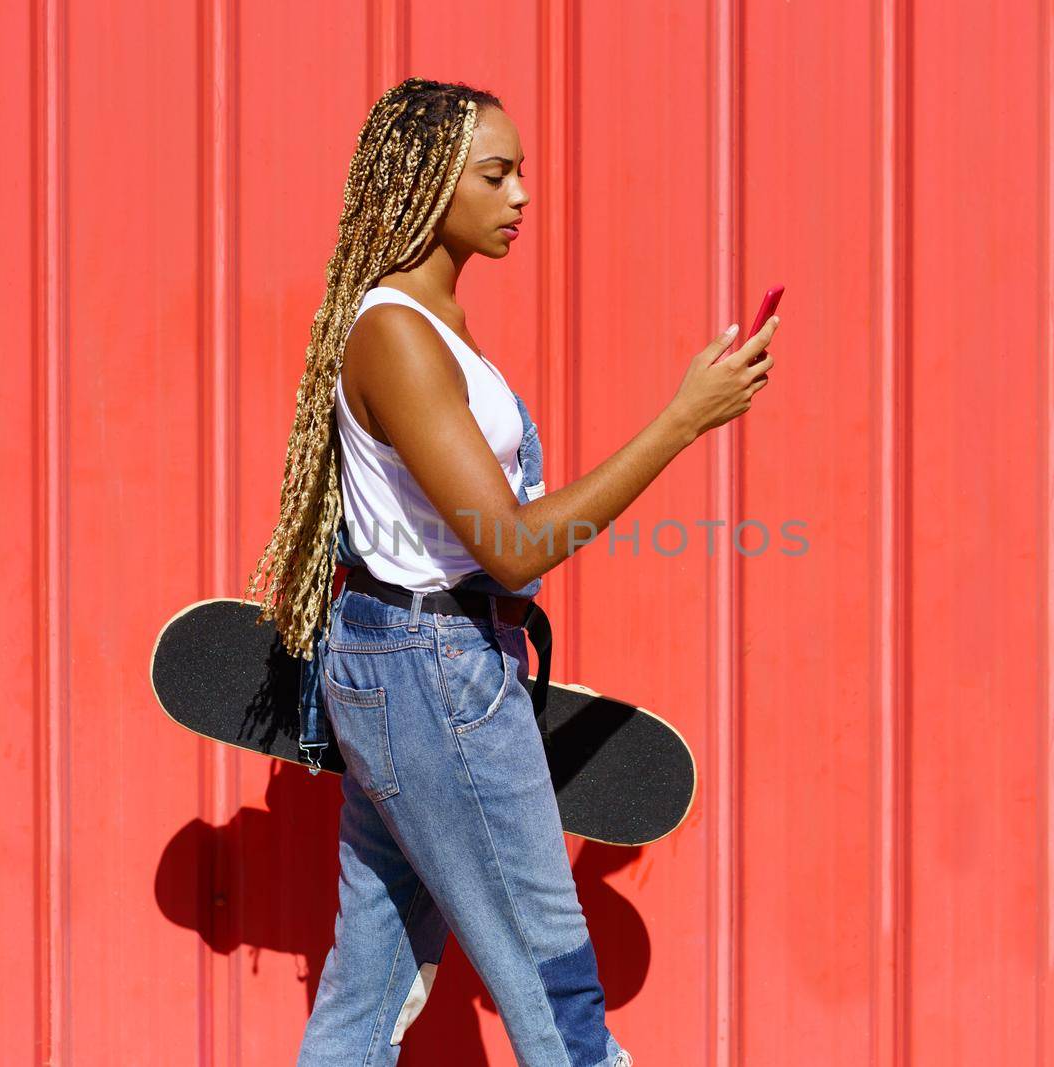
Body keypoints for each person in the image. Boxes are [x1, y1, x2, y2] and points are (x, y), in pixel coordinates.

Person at [245, 76, 779, 1067]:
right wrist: (680, 421)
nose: (522, 195)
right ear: (426, 184)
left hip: (423, 663)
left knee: (366, 991)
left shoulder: (428, 325)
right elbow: (512, 544)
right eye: (495, 174)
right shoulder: (397, 334)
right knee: (556, 987)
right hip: (431, 669)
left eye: (521, 172)